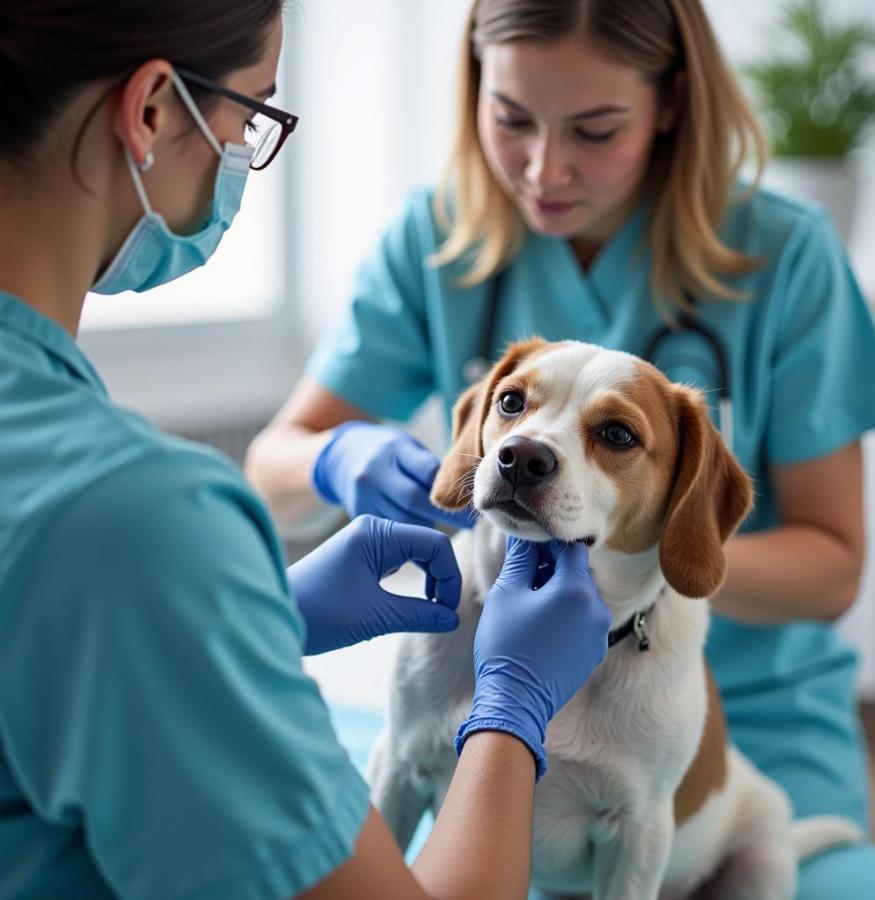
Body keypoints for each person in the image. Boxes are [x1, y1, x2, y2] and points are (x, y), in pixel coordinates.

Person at [245, 0, 875, 896]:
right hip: (481, 655)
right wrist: (335, 458)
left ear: (670, 102)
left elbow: (834, 568)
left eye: (595, 130)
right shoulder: (435, 236)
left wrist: (648, 561)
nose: (545, 169)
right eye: (511, 119)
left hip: (742, 711)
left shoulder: (786, 255)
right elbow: (275, 461)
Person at [0, 2, 615, 898]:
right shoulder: (130, 518)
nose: (245, 154)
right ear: (151, 112)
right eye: (252, 114)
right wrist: (511, 712)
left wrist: (249, 623)